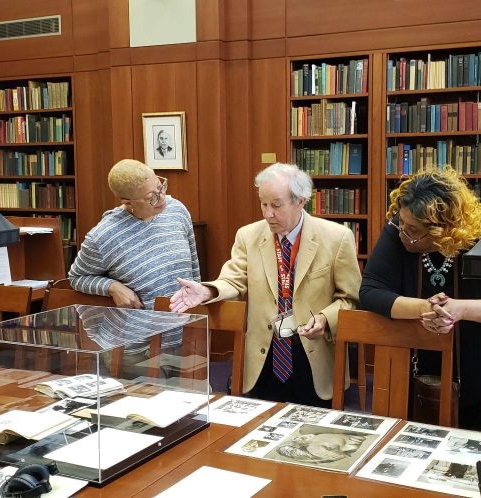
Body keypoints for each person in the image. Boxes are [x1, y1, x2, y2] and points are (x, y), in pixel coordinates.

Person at [170, 163, 361, 407]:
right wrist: (208, 290)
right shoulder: (248, 236)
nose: (268, 213)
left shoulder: (336, 238)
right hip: (264, 354)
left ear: (301, 201)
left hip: (312, 354)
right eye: (263, 204)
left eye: (276, 205)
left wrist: (325, 319)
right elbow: (233, 279)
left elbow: (350, 298)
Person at [358, 167, 481, 432]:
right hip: (414, 362)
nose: (403, 232)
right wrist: (425, 308)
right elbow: (369, 292)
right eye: (401, 223)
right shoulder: (399, 228)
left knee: (476, 448)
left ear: (445, 230)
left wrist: (458, 309)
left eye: (414, 229)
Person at [69, 159, 200, 311]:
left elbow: (194, 268)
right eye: (151, 197)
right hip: (141, 330)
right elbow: (77, 278)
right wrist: (112, 287)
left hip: (189, 324)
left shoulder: (177, 210)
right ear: (128, 202)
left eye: (161, 187)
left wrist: (199, 314)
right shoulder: (103, 236)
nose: (162, 198)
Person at [274, 428, 366, 464]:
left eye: (297, 438)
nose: (298, 438)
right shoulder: (313, 447)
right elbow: (340, 456)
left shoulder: (311, 433)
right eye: (297, 440)